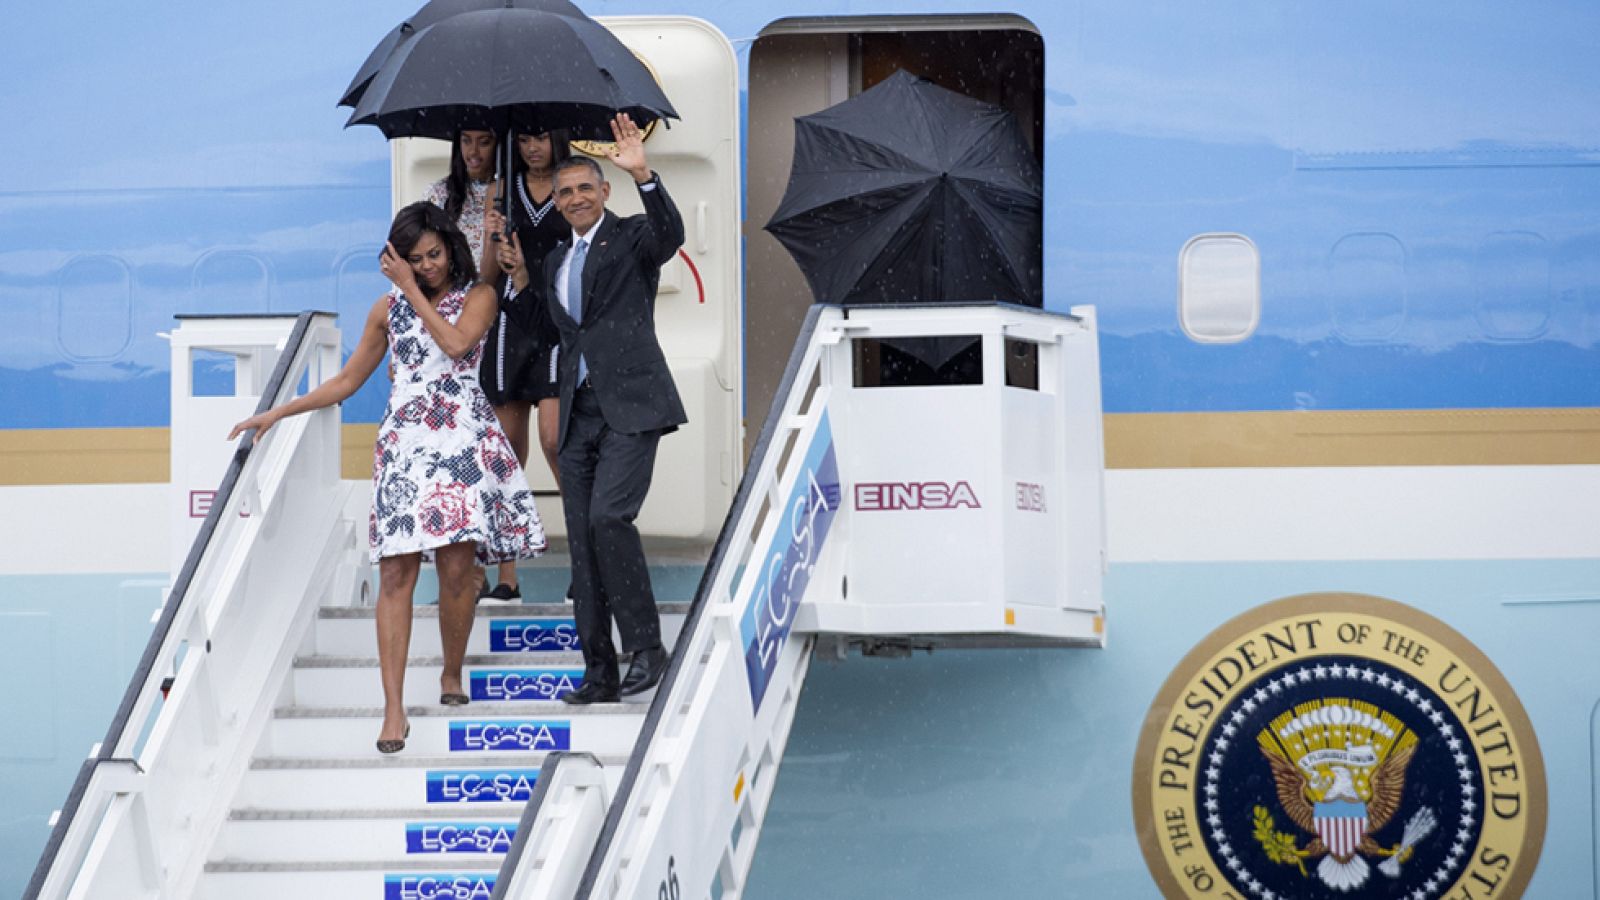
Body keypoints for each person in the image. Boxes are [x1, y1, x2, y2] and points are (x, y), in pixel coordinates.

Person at [229, 202, 546, 752]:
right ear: (397, 257)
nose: (426, 267)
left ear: (451, 248)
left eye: (434, 255)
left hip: (460, 443)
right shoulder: (386, 309)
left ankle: (451, 671)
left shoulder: (481, 296)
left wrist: (413, 293)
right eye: (414, 259)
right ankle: (393, 710)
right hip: (403, 445)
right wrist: (277, 412)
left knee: (453, 570)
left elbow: (454, 343)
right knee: (396, 575)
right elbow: (349, 380)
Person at [497, 114, 684, 704]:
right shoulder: (554, 261)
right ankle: (598, 672)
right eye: (565, 192)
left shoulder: (631, 237)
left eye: (585, 188)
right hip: (578, 413)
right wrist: (522, 278)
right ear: (554, 201)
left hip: (632, 405)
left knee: (609, 519)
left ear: (604, 192)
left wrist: (644, 175)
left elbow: (671, 236)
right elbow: (552, 331)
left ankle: (647, 650)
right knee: (580, 538)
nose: (575, 198)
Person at [475, 131, 571, 601]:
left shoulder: (572, 184)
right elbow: (485, 278)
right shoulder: (501, 188)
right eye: (526, 138)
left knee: (557, 443)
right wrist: (494, 242)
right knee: (506, 456)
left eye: (543, 138)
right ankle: (506, 576)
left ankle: (585, 567)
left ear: (559, 139)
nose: (534, 147)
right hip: (510, 325)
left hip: (553, 322)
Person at [425, 129, 498, 270]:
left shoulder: (511, 192)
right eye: (466, 141)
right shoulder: (439, 193)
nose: (473, 152)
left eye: (484, 142)